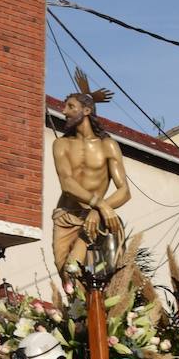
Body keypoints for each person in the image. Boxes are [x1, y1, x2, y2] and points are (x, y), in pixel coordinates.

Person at [51, 70, 130, 278]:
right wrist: (101, 204)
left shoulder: (107, 145)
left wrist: (97, 211)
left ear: (86, 110)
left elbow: (124, 191)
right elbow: (67, 183)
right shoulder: (61, 144)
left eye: (70, 106)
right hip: (66, 217)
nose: (64, 111)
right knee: (68, 281)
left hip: (93, 220)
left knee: (76, 273)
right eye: (64, 106)